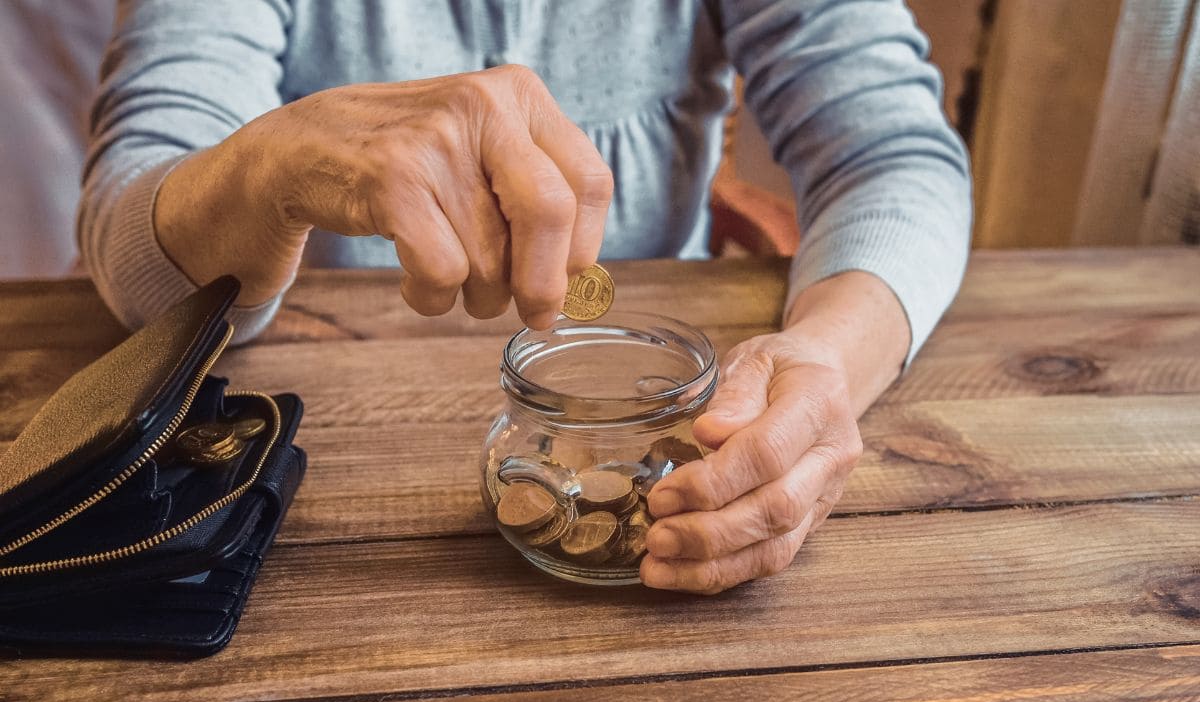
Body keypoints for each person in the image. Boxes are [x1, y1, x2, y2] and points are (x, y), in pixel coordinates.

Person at [80, 0, 971, 594]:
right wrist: (263, 167)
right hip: (321, 467)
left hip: (683, 397)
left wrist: (826, 356)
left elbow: (892, 154)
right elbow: (131, 242)